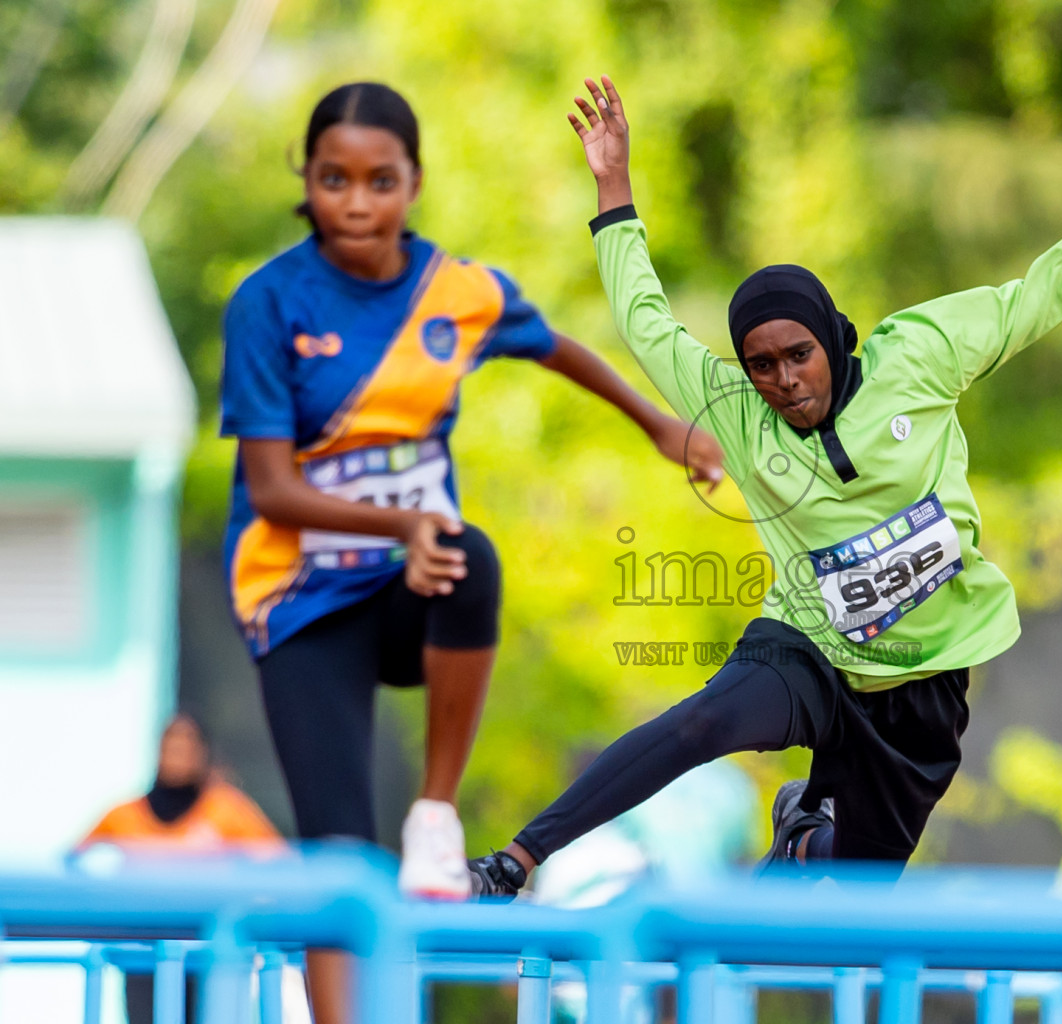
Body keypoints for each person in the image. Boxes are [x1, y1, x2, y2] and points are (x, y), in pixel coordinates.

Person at [466, 76, 1062, 897]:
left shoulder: (919, 358)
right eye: (762, 365)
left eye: (799, 355)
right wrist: (613, 190)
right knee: (707, 720)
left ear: (831, 340)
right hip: (812, 649)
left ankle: (800, 846)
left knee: (843, 905)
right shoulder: (736, 411)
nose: (785, 381)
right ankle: (514, 862)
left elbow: (1040, 294)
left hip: (925, 682)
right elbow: (644, 320)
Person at [220, 81, 724, 1020]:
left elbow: (553, 345)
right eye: (335, 180)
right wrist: (401, 525)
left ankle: (436, 814)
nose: (358, 203)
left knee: (470, 555)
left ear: (414, 182)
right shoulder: (269, 303)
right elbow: (275, 487)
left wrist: (662, 425)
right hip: (297, 596)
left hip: (415, 588)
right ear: (308, 179)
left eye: (381, 180)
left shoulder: (455, 290)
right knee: (333, 853)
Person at [79, 714, 283, 1024]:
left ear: (202, 754)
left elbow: (281, 865)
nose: (177, 755)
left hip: (209, 948)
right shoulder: (124, 815)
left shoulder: (227, 810)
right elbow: (73, 865)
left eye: (186, 746)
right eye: (170, 746)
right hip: (143, 951)